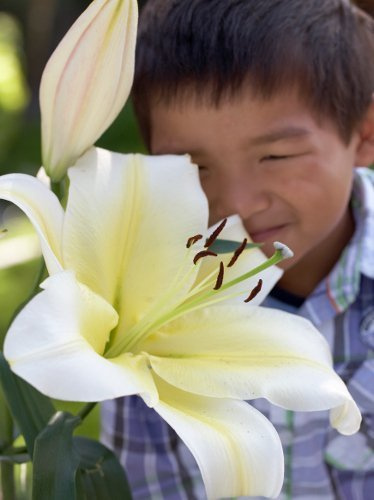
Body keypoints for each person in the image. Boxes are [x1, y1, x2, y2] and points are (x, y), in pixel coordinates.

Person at [101, 1, 374, 498]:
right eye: (193, 166)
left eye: (276, 155)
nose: (236, 207)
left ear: (365, 135)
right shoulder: (142, 313)